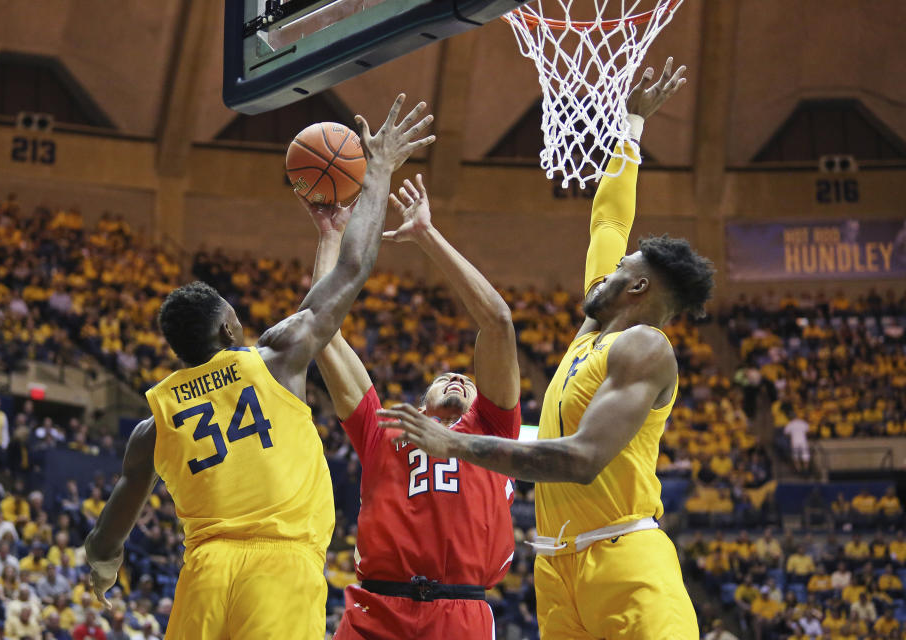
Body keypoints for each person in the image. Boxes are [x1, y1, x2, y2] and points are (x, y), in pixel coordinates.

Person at [374, 59, 707, 638]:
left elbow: (578, 461)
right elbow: (609, 221)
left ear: (638, 288)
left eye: (619, 271)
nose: (599, 275)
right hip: (555, 568)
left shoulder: (644, 348)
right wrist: (630, 123)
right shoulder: (594, 328)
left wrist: (456, 442)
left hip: (625, 560)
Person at [83, 93, 435, 639]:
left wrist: (103, 566)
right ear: (228, 328)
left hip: (204, 573)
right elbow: (355, 268)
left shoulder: (153, 424)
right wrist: (379, 170)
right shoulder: (275, 359)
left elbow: (110, 530)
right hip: (280, 566)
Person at [307, 172, 520, 639]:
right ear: (420, 402)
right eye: (446, 378)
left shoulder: (493, 430)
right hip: (375, 610)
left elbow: (498, 322)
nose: (458, 379)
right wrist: (331, 235)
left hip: (459, 612)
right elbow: (320, 331)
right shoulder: (384, 428)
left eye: (465, 380)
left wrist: (426, 234)